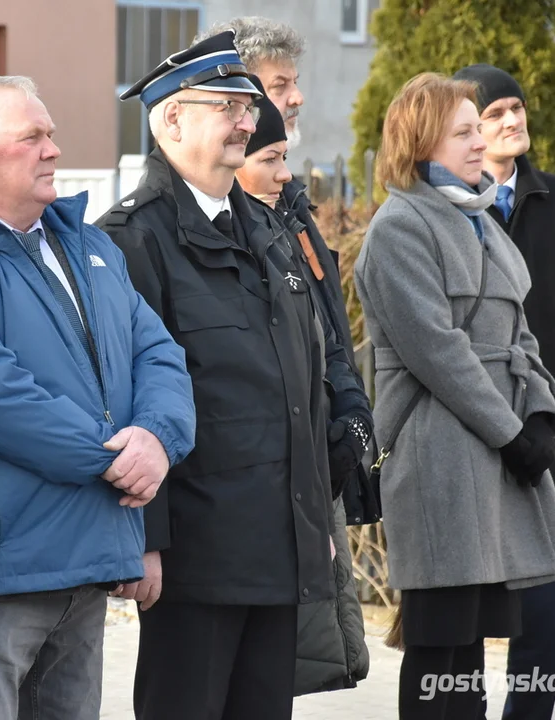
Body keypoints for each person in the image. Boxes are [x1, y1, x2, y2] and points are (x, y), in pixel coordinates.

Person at [0, 75, 196, 720]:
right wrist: (115, 458)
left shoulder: (87, 245)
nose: (53, 149)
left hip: (84, 559)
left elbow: (158, 354)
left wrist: (158, 438)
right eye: (31, 137)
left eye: (50, 134)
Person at [95, 32, 337, 720]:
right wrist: (144, 544)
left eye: (248, 104)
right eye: (227, 105)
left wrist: (310, 514)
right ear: (170, 118)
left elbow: (300, 388)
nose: (247, 120)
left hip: (276, 543)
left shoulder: (265, 229)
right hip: (196, 558)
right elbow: (128, 402)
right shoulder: (132, 239)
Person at [354, 72, 555, 719]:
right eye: (463, 132)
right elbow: (438, 353)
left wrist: (542, 416)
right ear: (422, 140)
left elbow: (519, 332)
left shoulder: (477, 219)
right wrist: (510, 435)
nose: (479, 142)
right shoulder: (400, 227)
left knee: (472, 647)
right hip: (438, 460)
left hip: (489, 457)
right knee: (438, 645)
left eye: (477, 128)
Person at [451, 62, 555, 720]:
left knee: (543, 614)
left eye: (515, 109)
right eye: (494, 114)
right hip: (468, 440)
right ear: (465, 127)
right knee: (463, 617)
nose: (512, 121)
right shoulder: (442, 208)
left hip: (544, 436)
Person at [200, 17, 376, 525]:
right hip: (265, 494)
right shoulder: (213, 221)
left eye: (295, 82)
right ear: (236, 97)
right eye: (280, 85)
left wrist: (351, 415)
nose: (297, 97)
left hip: (322, 470)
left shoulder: (291, 203)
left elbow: (327, 333)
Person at [235, 76, 371, 696]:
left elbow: (331, 337)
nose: (286, 173)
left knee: (294, 660)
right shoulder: (235, 238)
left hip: (317, 459)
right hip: (269, 481)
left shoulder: (292, 222)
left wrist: (351, 413)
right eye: (271, 158)